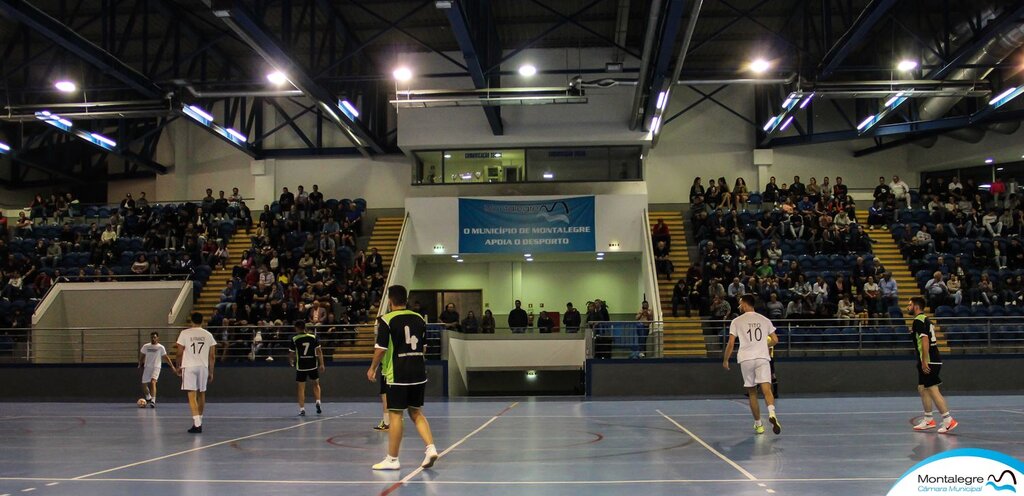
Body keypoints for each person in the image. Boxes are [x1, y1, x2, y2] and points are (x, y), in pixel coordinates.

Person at [367, 285, 438, 471]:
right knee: (416, 412)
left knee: (396, 414)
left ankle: (392, 459)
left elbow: (381, 349)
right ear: (405, 300)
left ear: (390, 301)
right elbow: (423, 347)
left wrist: (372, 368)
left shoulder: (386, 320)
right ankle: (430, 448)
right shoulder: (419, 318)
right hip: (418, 372)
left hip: (397, 374)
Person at [722, 295, 781, 435]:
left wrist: (725, 359)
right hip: (762, 357)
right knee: (767, 389)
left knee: (752, 392)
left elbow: (731, 343)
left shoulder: (736, 321)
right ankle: (772, 413)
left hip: (746, 359)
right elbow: (775, 340)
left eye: (740, 303)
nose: (739, 306)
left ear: (744, 304)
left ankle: (758, 424)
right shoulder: (765, 320)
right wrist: (763, 344)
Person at [907, 297, 958, 433]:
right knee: (922, 388)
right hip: (929, 358)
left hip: (929, 359)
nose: (908, 307)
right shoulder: (924, 319)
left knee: (933, 390)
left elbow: (925, 340)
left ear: (916, 307)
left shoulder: (918, 320)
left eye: (910, 305)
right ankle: (929, 419)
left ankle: (948, 420)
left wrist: (924, 361)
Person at [175, 312, 217, 434]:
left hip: (189, 366)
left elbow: (179, 353)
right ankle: (198, 421)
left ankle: (197, 424)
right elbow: (212, 356)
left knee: (191, 395)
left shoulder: (184, 333)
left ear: (191, 321)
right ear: (202, 321)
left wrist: (178, 366)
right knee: (202, 393)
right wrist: (211, 371)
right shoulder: (208, 335)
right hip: (203, 366)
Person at [288, 321, 325, 416]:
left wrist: (291, 360)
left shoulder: (295, 338)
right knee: (316, 384)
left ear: (297, 328)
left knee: (301, 388)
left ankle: (302, 409)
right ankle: (318, 401)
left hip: (301, 366)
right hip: (312, 364)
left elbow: (291, 353)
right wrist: (322, 364)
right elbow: (319, 351)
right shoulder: (313, 337)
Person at [138, 332, 177, 408]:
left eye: (154, 337)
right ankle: (148, 397)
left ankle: (153, 400)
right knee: (144, 385)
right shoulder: (146, 346)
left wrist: (172, 366)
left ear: (158, 338)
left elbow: (166, 358)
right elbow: (142, 356)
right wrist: (140, 364)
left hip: (156, 367)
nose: (153, 339)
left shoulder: (160, 347)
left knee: (153, 382)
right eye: (152, 337)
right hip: (147, 367)